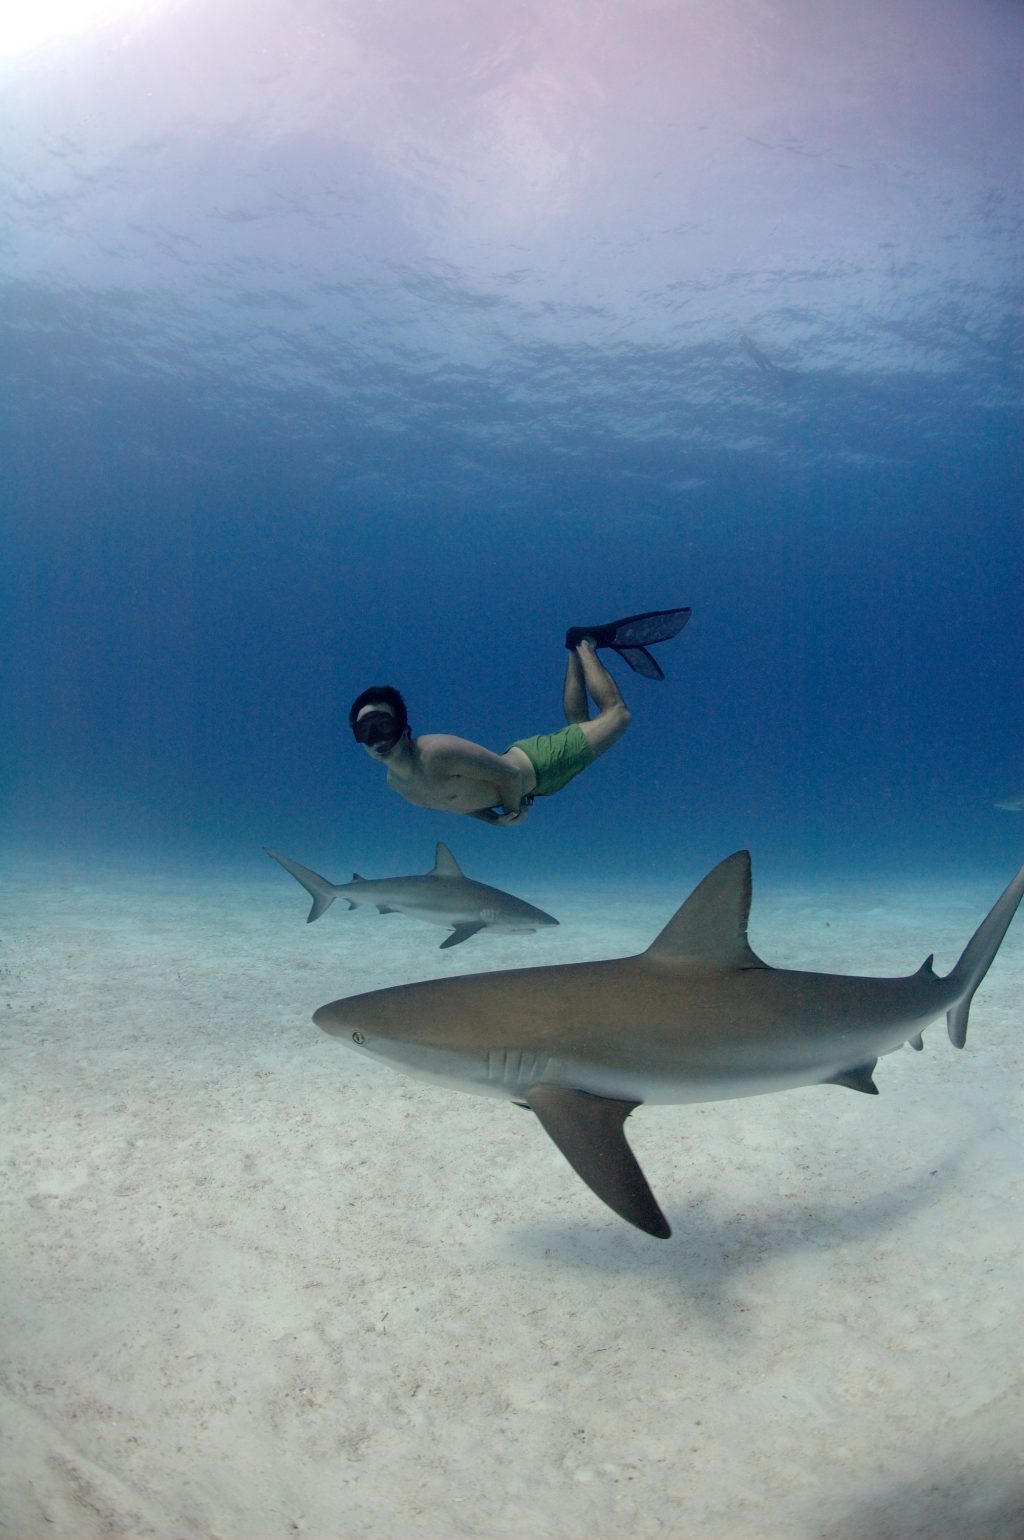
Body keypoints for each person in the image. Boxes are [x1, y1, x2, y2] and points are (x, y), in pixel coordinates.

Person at [349, 607, 691, 825]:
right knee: (580, 728)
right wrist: (493, 820)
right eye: (367, 730)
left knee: (618, 716)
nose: (378, 738)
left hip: (540, 764)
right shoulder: (396, 784)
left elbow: (510, 774)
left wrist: (513, 811)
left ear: (406, 729)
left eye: (384, 725)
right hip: (541, 786)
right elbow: (456, 803)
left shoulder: (436, 751)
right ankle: (574, 647)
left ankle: (587, 642)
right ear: (358, 739)